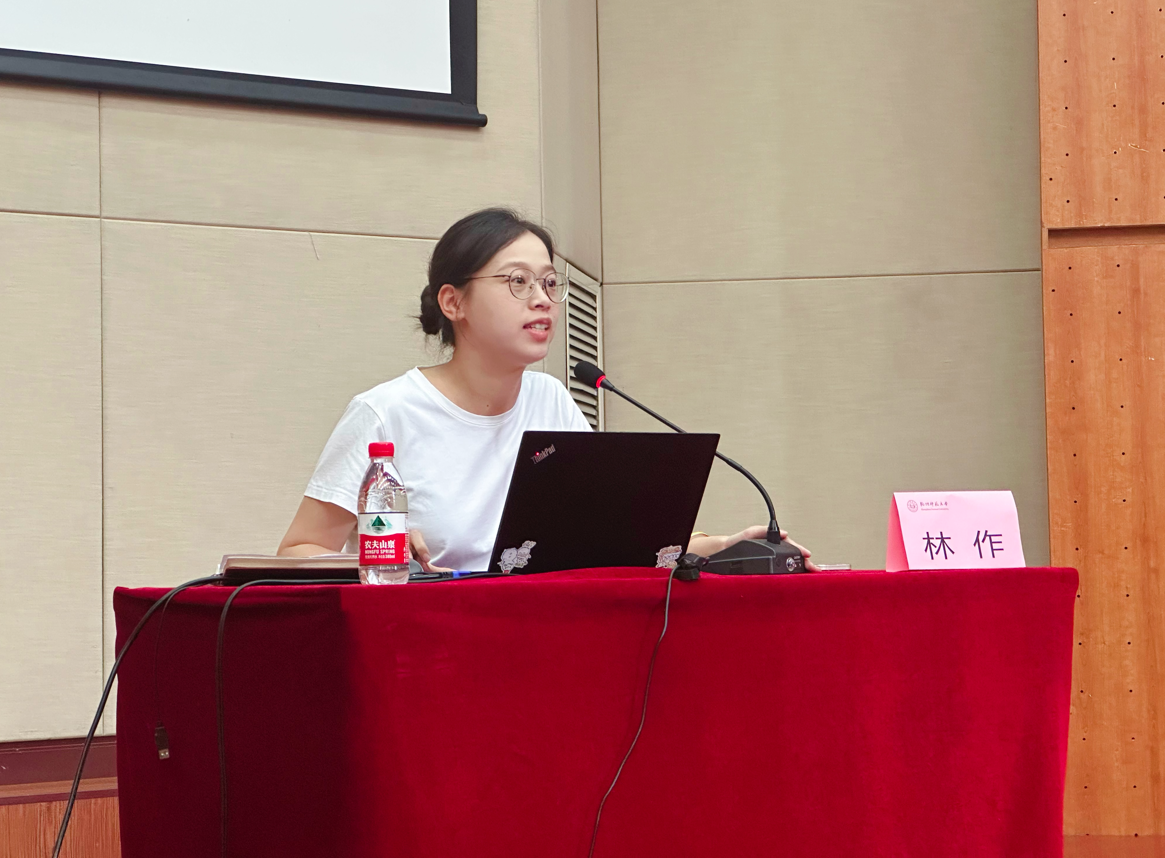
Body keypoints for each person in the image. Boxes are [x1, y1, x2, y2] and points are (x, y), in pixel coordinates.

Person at [277, 207, 815, 572]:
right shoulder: (386, 412)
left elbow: (612, 536)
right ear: (453, 302)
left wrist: (723, 546)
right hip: (428, 648)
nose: (541, 299)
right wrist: (380, 554)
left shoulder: (550, 399)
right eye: (517, 282)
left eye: (549, 283)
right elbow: (298, 550)